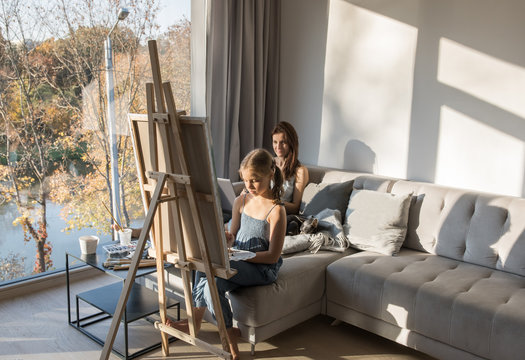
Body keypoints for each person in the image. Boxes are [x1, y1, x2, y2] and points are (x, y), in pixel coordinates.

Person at [166, 148, 287, 360]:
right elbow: (233, 234)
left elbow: (273, 257)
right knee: (209, 272)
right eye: (246, 180)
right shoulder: (242, 200)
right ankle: (229, 335)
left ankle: (198, 323)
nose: (249, 186)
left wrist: (243, 256)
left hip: (262, 267)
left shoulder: (277, 210)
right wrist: (227, 239)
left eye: (255, 180)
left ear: (270, 175)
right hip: (238, 260)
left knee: (211, 269)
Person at [271, 121, 309, 215]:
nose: (278, 146)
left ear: (291, 143)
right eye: (275, 142)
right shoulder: (269, 163)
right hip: (263, 208)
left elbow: (296, 208)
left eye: (283, 142)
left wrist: (273, 203)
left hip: (281, 214)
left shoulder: (300, 171)